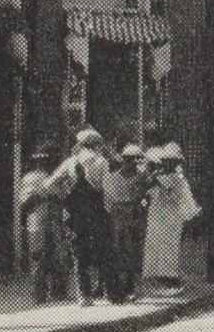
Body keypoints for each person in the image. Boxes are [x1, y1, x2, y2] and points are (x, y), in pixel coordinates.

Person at [54, 129, 112, 306]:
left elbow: (51, 183)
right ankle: (107, 292)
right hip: (96, 211)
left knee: (79, 252)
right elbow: (108, 191)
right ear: (95, 144)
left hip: (75, 212)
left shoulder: (70, 162)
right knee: (103, 249)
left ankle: (84, 295)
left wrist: (63, 196)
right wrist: (109, 212)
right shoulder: (102, 162)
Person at [142, 141, 198, 295]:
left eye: (172, 161)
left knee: (170, 245)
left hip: (171, 215)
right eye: (167, 161)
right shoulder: (160, 177)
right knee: (158, 244)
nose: (169, 164)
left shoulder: (176, 178)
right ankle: (161, 276)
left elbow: (181, 197)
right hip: (159, 214)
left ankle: (169, 275)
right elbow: (148, 192)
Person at [17, 149, 71, 306]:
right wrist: (42, 194)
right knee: (41, 257)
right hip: (39, 220)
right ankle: (41, 294)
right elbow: (25, 202)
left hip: (50, 221)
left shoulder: (53, 178)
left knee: (54, 256)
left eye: (45, 160)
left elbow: (62, 197)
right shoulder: (31, 179)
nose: (42, 164)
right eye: (40, 161)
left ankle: (56, 291)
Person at [102, 141, 149, 303]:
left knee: (133, 251)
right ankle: (118, 287)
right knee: (118, 250)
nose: (134, 163)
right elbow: (108, 198)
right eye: (131, 159)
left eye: (137, 159)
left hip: (133, 214)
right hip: (119, 214)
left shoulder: (140, 177)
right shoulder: (113, 177)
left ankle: (130, 286)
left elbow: (141, 195)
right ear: (125, 160)